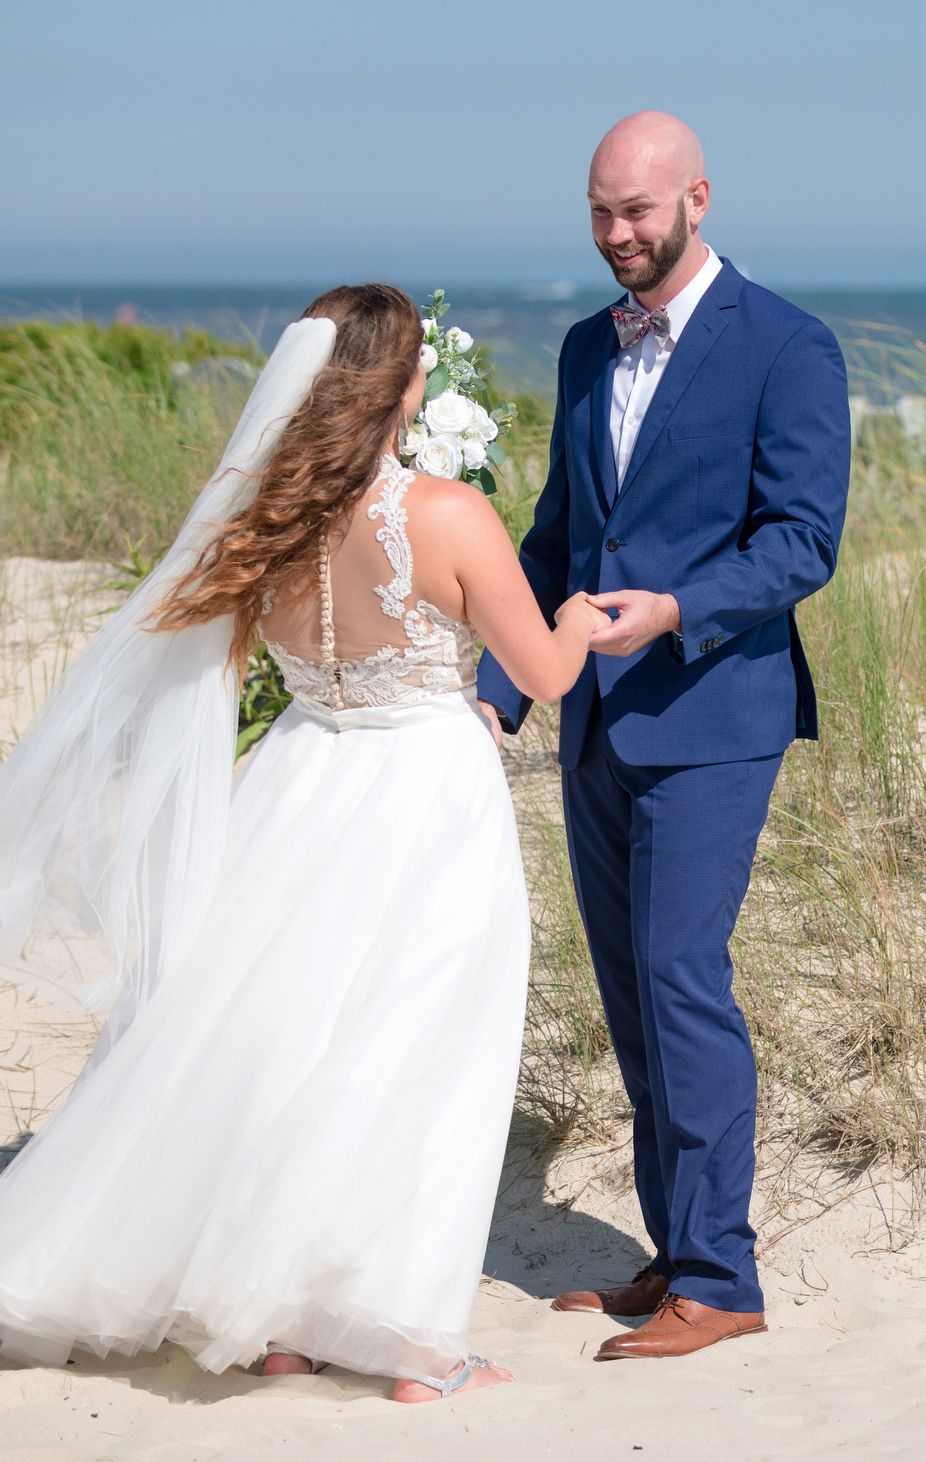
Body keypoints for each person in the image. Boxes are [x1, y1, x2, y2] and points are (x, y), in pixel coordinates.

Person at [0, 284, 609, 1400]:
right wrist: (572, 619)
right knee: (421, 1053)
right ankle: (413, 1345)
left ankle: (281, 1322)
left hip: (298, 780)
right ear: (408, 385)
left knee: (295, 1045)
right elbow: (546, 675)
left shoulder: (260, 519)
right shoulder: (446, 512)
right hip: (426, 793)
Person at [477, 112, 851, 1359]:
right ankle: (674, 1249)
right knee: (632, 994)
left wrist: (678, 608)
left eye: (635, 209)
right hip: (592, 722)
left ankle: (723, 1280)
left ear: (696, 196)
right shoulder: (585, 345)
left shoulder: (788, 344)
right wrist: (498, 689)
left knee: (682, 979)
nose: (614, 232)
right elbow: (555, 538)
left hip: (712, 716)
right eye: (598, 211)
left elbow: (800, 541)